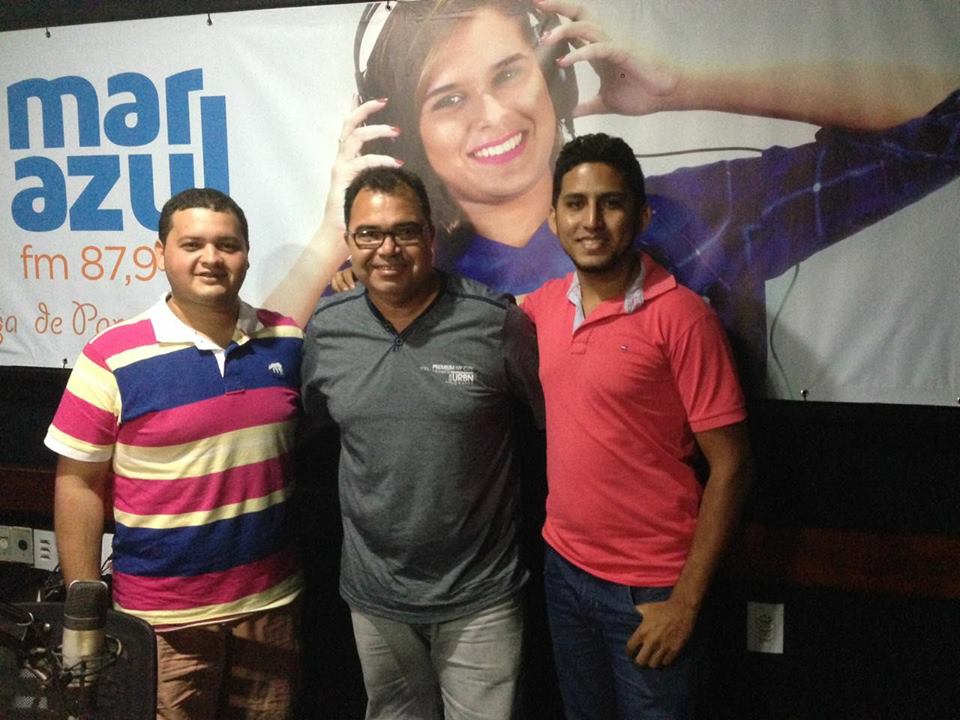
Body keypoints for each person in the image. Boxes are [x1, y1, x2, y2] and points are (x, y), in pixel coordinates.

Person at [265, 0, 960, 392]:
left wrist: (682, 87)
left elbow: (940, 128)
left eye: (509, 74)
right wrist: (330, 236)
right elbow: (256, 381)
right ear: (405, 134)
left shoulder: (687, 218)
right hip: (482, 577)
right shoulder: (395, 273)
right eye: (449, 98)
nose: (494, 115)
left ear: (554, 80)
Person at [44, 188, 303, 720]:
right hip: (161, 624)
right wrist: (84, 612)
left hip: (270, 609)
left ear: (246, 254)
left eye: (227, 245)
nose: (211, 258)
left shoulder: (287, 339)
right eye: (192, 244)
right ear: (160, 254)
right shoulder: (110, 357)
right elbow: (78, 486)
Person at [522, 133, 752, 719]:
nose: (591, 221)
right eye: (575, 204)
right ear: (553, 218)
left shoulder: (683, 318)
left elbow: (732, 466)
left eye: (611, 203)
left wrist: (685, 603)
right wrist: (352, 280)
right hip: (563, 571)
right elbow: (461, 311)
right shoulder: (542, 306)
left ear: (642, 215)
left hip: (651, 590)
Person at [300, 166, 543, 720]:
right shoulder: (328, 329)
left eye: (405, 231)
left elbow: (553, 429)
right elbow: (306, 426)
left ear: (431, 237)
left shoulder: (494, 322)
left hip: (481, 595)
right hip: (375, 596)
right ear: (349, 242)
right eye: (369, 234)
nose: (387, 249)